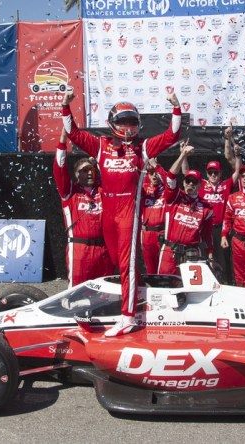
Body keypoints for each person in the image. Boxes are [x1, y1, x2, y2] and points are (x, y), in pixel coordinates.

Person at [62, 91, 182, 336]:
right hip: (109, 214)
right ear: (111, 123)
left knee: (127, 265)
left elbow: (172, 135)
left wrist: (176, 108)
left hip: (129, 213)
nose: (127, 127)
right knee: (117, 264)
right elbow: (73, 133)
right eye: (123, 121)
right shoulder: (100, 146)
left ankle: (129, 317)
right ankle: (129, 304)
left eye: (131, 121)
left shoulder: (142, 148)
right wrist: (65, 105)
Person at [180, 126, 242, 282]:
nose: (213, 175)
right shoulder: (201, 184)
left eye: (216, 172)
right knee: (204, 259)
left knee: (223, 261)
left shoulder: (226, 184)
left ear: (221, 173)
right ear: (206, 173)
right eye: (210, 172)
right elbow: (186, 173)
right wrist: (184, 156)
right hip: (202, 228)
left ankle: (226, 285)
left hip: (221, 229)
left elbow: (238, 171)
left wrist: (237, 154)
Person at [53, 129, 114, 287]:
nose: (89, 173)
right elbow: (60, 168)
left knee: (105, 293)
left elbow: (113, 174)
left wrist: (98, 161)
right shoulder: (69, 192)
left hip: (104, 250)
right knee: (76, 294)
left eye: (91, 170)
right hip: (80, 250)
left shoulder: (104, 191)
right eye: (84, 171)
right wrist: (62, 139)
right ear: (76, 175)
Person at [158, 143, 214, 275]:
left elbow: (207, 236)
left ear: (200, 185)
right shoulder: (175, 196)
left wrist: (210, 256)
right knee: (164, 286)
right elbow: (171, 176)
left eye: (194, 182)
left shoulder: (206, 208)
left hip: (192, 254)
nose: (190, 184)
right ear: (183, 182)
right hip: (169, 251)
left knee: (189, 290)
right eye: (187, 181)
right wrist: (182, 155)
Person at [140, 158, 167, 274]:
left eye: (156, 173)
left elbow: (169, 179)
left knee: (163, 268)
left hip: (162, 233)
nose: (154, 176)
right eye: (151, 173)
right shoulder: (144, 188)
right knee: (150, 269)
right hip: (146, 234)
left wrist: (157, 166)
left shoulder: (167, 189)